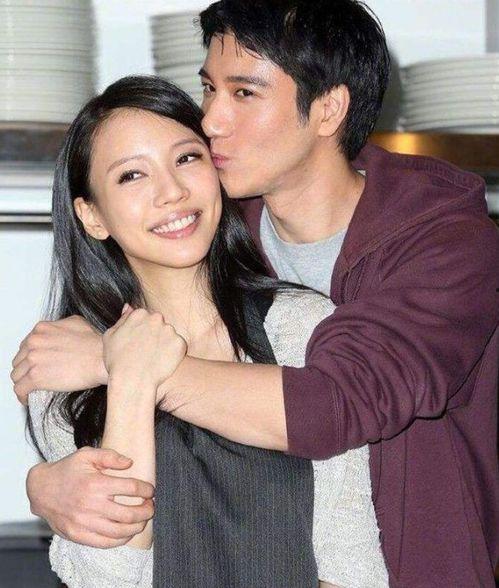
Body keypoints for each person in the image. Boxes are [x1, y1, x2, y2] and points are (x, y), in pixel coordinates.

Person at [12, 1, 499, 586]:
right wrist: (46, 483)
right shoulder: (216, 228)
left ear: (327, 109)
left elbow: (336, 406)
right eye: (209, 88)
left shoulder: (444, 242)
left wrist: (120, 362)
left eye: (244, 93)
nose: (211, 120)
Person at [25, 74, 388, 587]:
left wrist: (138, 366)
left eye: (187, 158)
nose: (171, 192)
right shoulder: (63, 368)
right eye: (132, 175)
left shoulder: (299, 326)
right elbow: (106, 576)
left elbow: (351, 563)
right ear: (92, 216)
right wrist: (129, 376)